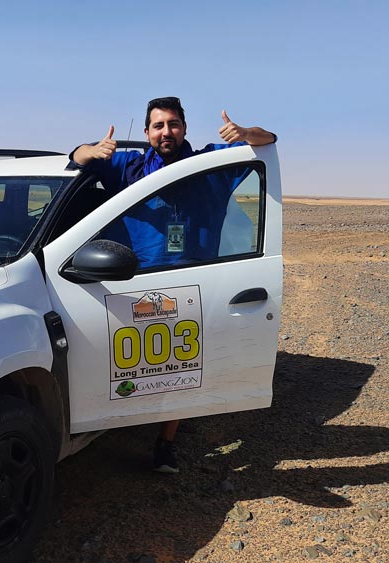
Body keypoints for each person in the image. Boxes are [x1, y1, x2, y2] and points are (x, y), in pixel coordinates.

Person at [68, 96, 276, 473]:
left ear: (184, 128)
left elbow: (267, 141)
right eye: (159, 125)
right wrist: (91, 149)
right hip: (128, 283)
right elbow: (77, 158)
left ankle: (166, 443)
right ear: (147, 132)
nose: (167, 132)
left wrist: (246, 132)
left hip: (189, 285)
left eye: (173, 124)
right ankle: (115, 420)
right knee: (128, 366)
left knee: (178, 370)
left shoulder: (209, 166)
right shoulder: (127, 167)